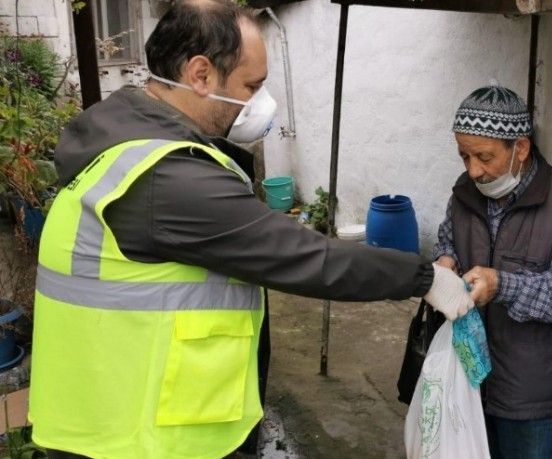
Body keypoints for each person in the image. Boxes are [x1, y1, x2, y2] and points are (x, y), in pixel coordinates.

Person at [29, 2, 472, 458]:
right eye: (251, 86)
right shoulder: (167, 179)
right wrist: (425, 278)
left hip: (110, 415)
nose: (258, 103)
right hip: (139, 440)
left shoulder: (122, 140)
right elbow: (306, 257)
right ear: (200, 74)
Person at [433, 85, 552, 458]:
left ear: (520, 149)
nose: (474, 170)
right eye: (464, 155)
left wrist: (501, 285)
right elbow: (448, 240)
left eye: (485, 157)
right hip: (471, 377)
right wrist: (446, 261)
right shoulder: (464, 193)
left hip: (534, 395)